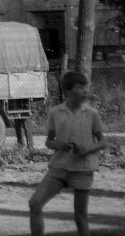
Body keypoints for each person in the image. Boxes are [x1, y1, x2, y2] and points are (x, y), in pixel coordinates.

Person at [28, 70, 107, 236]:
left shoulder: (92, 113)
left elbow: (102, 141)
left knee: (80, 217)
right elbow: (49, 141)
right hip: (59, 168)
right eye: (80, 87)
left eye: (86, 87)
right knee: (35, 203)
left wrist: (87, 149)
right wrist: (60, 145)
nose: (85, 91)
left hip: (82, 169)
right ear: (68, 91)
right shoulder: (56, 113)